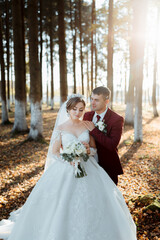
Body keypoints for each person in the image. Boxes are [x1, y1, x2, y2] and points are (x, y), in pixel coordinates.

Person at [0, 94, 137, 240]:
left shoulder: (86, 125)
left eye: (81, 109)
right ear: (68, 109)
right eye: (74, 109)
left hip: (88, 167)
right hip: (66, 168)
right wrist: (68, 159)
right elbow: (54, 152)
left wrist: (88, 151)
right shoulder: (61, 127)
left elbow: (94, 149)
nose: (77, 113)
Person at [83, 86, 123, 185]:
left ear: (106, 101)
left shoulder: (116, 119)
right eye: (91, 99)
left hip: (107, 166)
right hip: (88, 165)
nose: (92, 103)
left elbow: (112, 144)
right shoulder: (87, 116)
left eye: (96, 100)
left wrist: (94, 130)